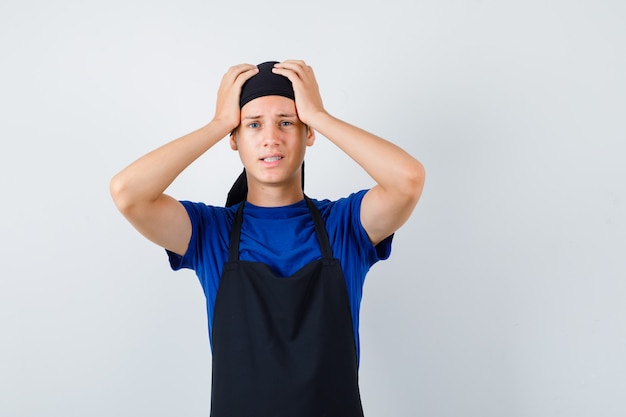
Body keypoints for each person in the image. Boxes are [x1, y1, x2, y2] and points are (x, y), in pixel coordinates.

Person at [110, 59, 425, 417]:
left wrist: (319, 115)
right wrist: (217, 124)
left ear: (308, 134)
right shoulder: (211, 233)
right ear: (235, 138)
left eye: (287, 122)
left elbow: (408, 180)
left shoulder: (345, 226)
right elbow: (127, 192)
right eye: (253, 124)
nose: (271, 138)